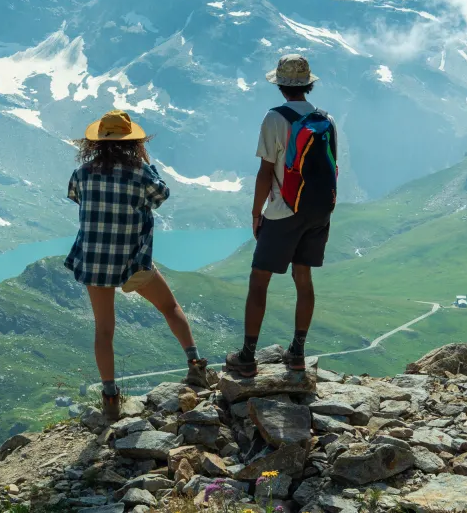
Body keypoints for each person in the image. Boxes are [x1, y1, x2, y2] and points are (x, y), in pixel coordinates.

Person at [65, 109, 210, 420]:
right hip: (133, 259)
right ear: (133, 142)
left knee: (104, 330)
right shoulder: (141, 173)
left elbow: (78, 198)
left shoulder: (82, 174)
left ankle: (110, 398)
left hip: (94, 260)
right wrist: (146, 162)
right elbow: (161, 195)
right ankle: (196, 366)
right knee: (170, 307)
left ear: (96, 143)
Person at [226, 54, 339, 378]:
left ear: (280, 86)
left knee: (259, 279)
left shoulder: (274, 118)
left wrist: (256, 212)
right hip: (318, 210)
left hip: (283, 210)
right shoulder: (326, 120)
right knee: (303, 278)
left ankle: (247, 356)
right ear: (308, 84)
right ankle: (298, 353)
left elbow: (265, 172)